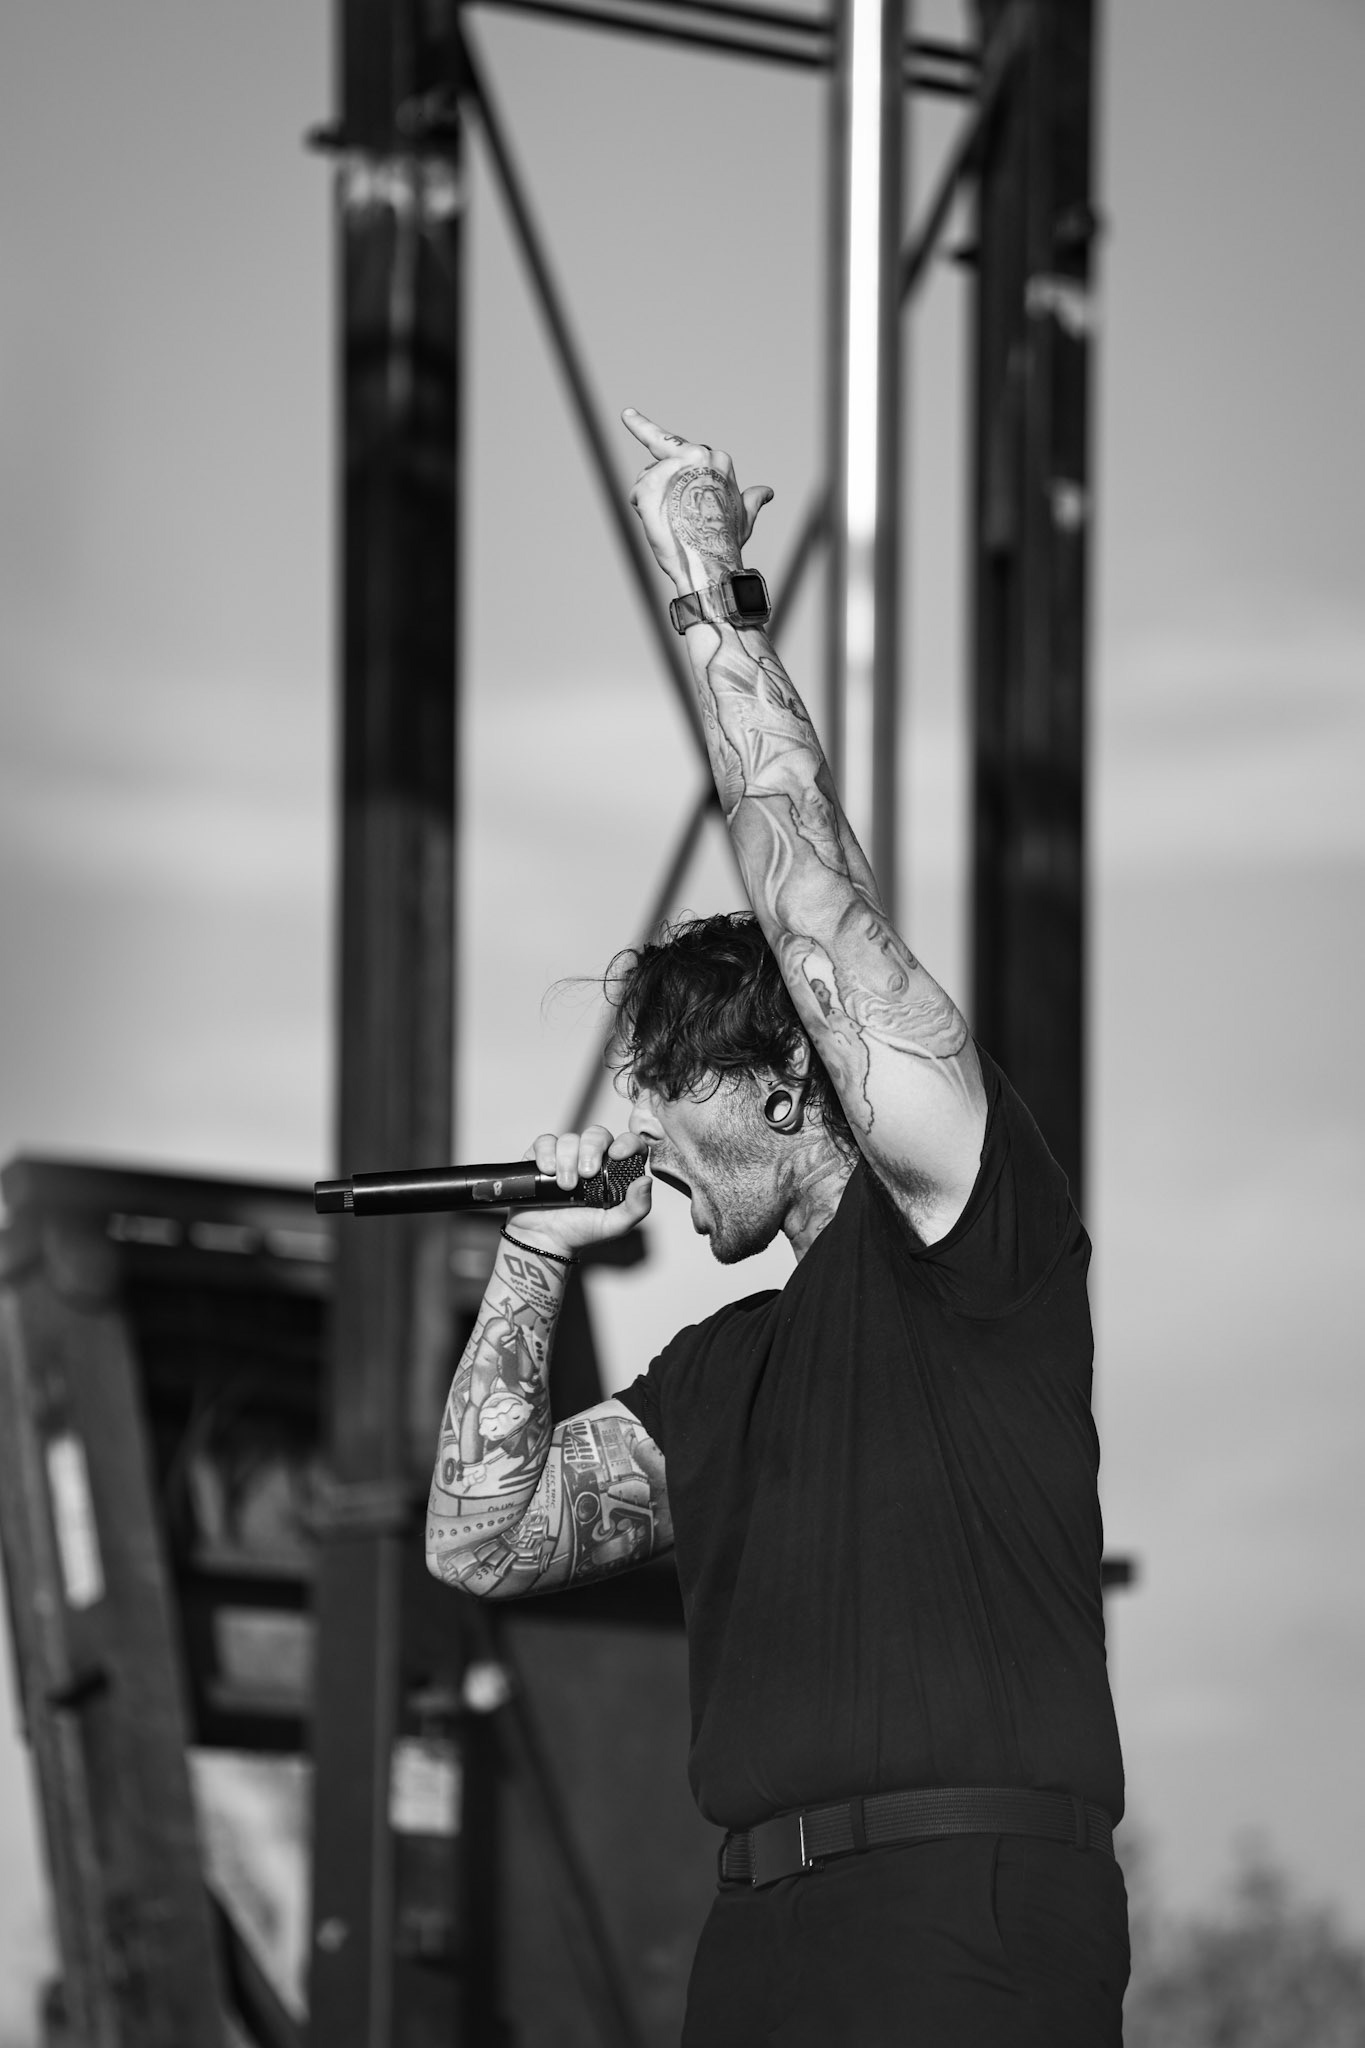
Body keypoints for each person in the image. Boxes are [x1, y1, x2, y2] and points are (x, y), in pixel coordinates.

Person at [425, 410, 1130, 2044]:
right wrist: (532, 1253)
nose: (648, 1134)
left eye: (674, 1087)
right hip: (757, 1932)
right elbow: (481, 1540)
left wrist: (703, 592)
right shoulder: (715, 1373)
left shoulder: (962, 1232)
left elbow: (812, 891)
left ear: (795, 1081)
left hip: (961, 1906)